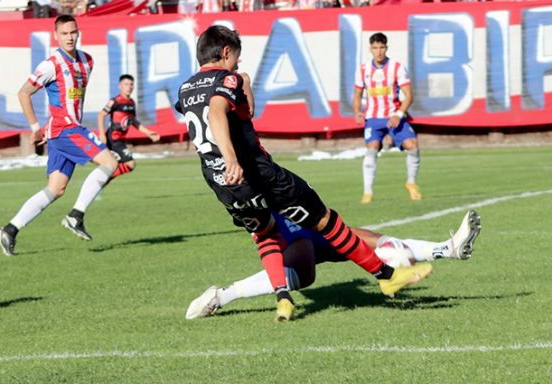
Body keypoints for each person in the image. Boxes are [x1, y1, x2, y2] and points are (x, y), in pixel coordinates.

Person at [175, 25, 433, 321]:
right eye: (236, 57)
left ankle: (283, 299)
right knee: (324, 219)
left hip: (222, 183)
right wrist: (232, 158)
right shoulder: (227, 78)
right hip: (255, 172)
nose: (238, 63)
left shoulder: (186, 88)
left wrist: (243, 87)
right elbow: (217, 111)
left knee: (265, 232)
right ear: (225, 52)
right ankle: (387, 275)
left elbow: (225, 112)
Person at [186, 210, 482, 319]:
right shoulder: (244, 190)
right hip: (291, 235)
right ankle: (221, 296)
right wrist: (282, 294)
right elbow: (268, 245)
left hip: (304, 220)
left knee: (367, 239)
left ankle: (447, 249)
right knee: (303, 275)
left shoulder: (258, 160)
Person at [0, 15, 120, 256]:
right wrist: (35, 127)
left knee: (56, 188)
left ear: (78, 32)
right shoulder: (51, 65)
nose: (69, 37)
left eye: (73, 32)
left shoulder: (87, 61)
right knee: (110, 162)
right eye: (64, 34)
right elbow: (23, 93)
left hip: (61, 130)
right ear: (56, 36)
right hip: (66, 129)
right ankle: (76, 216)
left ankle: (10, 230)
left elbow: (72, 96)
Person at [353, 32, 421, 204]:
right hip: (373, 118)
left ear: (386, 48)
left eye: (382, 47)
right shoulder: (363, 70)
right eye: (375, 48)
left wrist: (399, 114)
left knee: (413, 146)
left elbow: (409, 95)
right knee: (372, 149)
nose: (379, 51)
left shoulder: (397, 68)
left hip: (393, 116)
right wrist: (357, 112)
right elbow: (357, 94)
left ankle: (411, 183)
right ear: (370, 49)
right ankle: (367, 193)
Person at [96, 74, 160, 181]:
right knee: (129, 164)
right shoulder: (115, 101)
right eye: (126, 84)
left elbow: (133, 121)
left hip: (120, 141)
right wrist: (102, 135)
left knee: (118, 165)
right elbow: (101, 115)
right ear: (120, 86)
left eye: (131, 84)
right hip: (112, 140)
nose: (129, 87)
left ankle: (102, 180)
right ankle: (101, 180)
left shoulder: (131, 103)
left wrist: (148, 133)